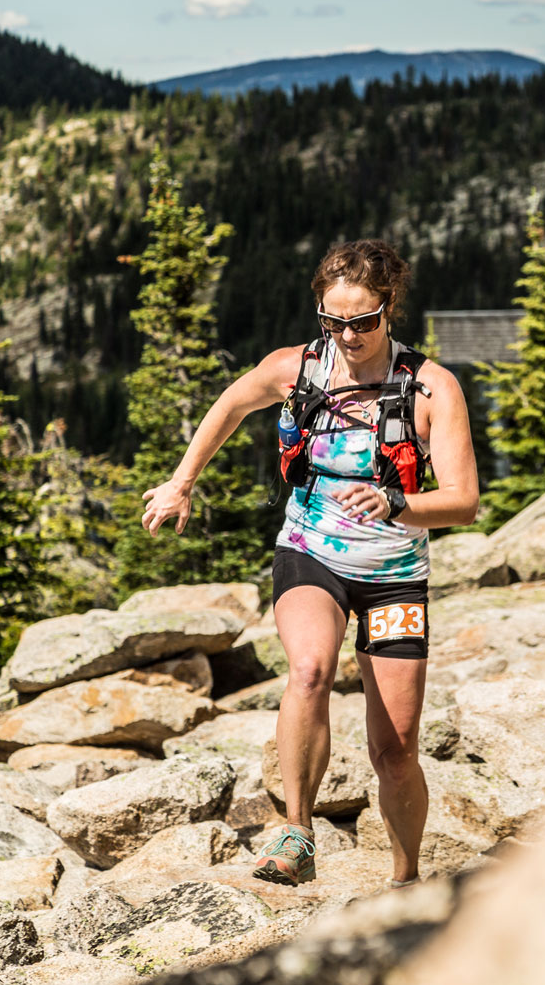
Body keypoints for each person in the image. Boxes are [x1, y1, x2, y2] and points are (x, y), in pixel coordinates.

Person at [140, 239, 479, 888]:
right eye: (333, 321)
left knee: (396, 747)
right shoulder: (295, 369)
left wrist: (395, 500)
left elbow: (463, 501)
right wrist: (183, 480)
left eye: (363, 320)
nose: (348, 335)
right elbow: (231, 404)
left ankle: (406, 877)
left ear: (390, 308)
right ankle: (296, 829)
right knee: (309, 667)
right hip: (310, 551)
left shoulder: (433, 387)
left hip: (394, 572)